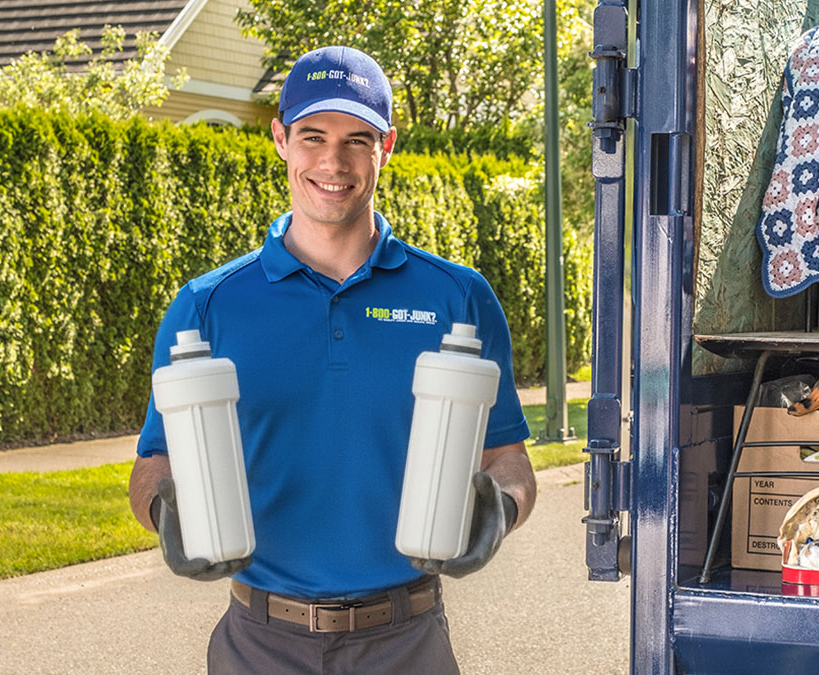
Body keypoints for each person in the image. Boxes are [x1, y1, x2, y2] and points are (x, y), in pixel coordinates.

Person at [127, 45, 536, 674]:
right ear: (280, 140)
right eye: (313, 136)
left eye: (356, 140)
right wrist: (164, 511)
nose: (333, 162)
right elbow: (153, 464)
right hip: (260, 643)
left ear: (386, 147)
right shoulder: (206, 306)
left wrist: (500, 512)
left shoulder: (458, 297)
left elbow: (508, 458)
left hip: (407, 640)